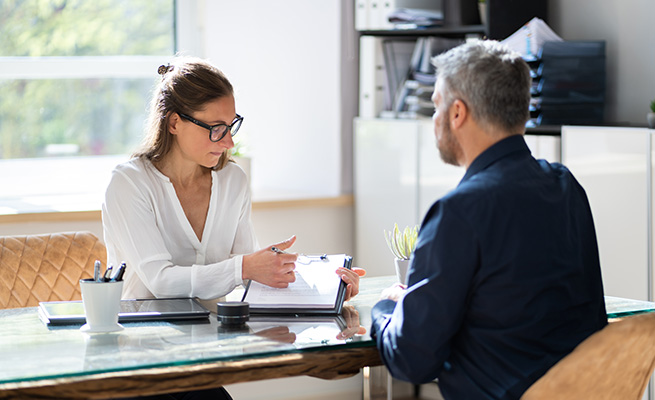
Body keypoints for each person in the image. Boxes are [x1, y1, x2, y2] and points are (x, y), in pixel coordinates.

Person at [102, 56, 364, 400]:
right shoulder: (129, 184)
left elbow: (248, 281)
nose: (228, 142)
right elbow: (162, 281)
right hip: (140, 359)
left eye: (231, 126)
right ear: (175, 123)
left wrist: (329, 290)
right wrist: (245, 267)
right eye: (216, 128)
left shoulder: (233, 181)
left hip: (206, 356)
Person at [369, 40, 607, 400]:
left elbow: (412, 359)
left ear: (457, 113)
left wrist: (386, 308)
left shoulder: (459, 211)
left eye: (435, 106)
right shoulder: (566, 187)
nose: (433, 120)